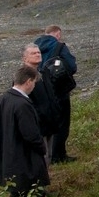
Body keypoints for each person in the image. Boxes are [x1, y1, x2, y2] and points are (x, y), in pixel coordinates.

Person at [0, 59, 51, 197]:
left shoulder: (2, 99)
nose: (34, 86)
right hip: (25, 161)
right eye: (34, 83)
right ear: (28, 81)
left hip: (8, 161)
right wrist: (42, 148)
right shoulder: (23, 105)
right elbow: (32, 136)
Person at [34, 25, 77, 163]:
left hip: (41, 88)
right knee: (62, 121)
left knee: (48, 120)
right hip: (59, 88)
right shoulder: (59, 46)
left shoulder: (35, 46)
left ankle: (48, 153)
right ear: (57, 34)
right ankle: (59, 155)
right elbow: (72, 66)